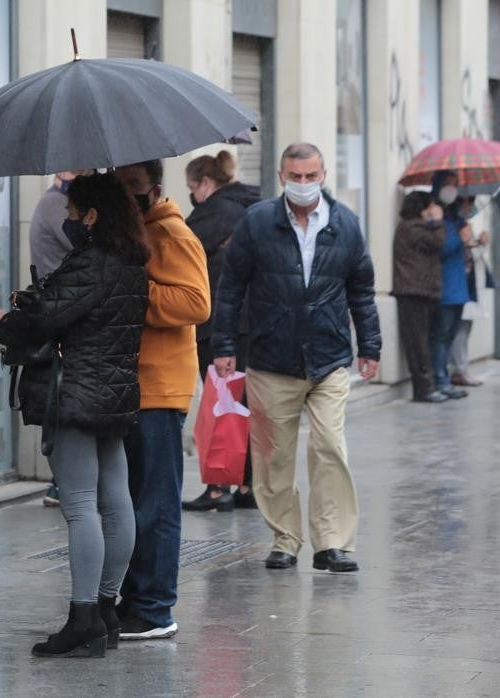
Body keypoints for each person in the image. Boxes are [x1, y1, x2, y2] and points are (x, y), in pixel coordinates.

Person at [0, 172, 149, 658]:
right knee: (116, 498)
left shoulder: (91, 264)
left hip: (77, 394)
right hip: (115, 394)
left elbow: (43, 317)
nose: (69, 222)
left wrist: (7, 321)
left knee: (80, 504)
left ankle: (84, 618)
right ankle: (105, 609)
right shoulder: (130, 263)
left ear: (93, 215)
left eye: (73, 214)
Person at [214, 142, 381, 574]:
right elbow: (230, 289)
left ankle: (333, 542)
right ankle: (285, 539)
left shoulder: (346, 224)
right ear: (281, 176)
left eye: (310, 176)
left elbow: (362, 291)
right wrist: (224, 346)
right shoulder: (257, 223)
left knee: (329, 446)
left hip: (328, 357)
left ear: (323, 176)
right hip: (272, 357)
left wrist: (371, 347)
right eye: (295, 176)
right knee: (274, 456)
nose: (303, 184)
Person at [113, 160, 211, 640]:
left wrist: (135, 292)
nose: (126, 194)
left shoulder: (172, 234)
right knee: (133, 501)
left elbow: (196, 303)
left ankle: (154, 609)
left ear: (153, 186)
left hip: (160, 387)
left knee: (155, 504)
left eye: (133, 186)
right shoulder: (136, 234)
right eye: (119, 185)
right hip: (133, 384)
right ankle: (136, 599)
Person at [180, 151, 262, 512]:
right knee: (242, 404)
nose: (191, 195)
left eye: (191, 188)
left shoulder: (212, 215)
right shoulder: (252, 207)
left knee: (219, 404)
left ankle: (217, 488)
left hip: (217, 325)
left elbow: (177, 255)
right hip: (251, 324)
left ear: (206, 184)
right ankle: (246, 485)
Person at [28, 169, 90, 508]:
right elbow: (85, 245)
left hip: (64, 310)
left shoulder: (58, 202)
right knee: (65, 394)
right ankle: (60, 481)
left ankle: (62, 479)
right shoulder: (56, 205)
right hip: (63, 315)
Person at [392, 191, 448, 403]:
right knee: (418, 343)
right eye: (430, 206)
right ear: (421, 208)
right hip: (413, 293)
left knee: (423, 341)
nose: (433, 210)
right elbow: (437, 242)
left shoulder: (412, 227)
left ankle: (427, 386)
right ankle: (423, 389)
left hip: (421, 292)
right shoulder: (412, 227)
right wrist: (439, 221)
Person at [429, 172, 471, 399]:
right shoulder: (433, 214)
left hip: (458, 286)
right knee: (441, 335)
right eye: (447, 184)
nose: (452, 189)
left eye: (455, 185)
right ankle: (440, 379)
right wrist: (460, 239)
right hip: (443, 286)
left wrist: (471, 240)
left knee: (450, 334)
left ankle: (445, 377)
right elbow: (439, 248)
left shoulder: (455, 215)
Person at [448, 195, 489, 387]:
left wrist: (479, 243)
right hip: (458, 287)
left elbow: (472, 254)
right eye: (468, 204)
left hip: (470, 287)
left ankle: (461, 369)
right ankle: (458, 370)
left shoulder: (465, 225)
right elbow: (454, 254)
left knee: (465, 329)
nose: (471, 207)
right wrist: (464, 240)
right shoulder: (453, 225)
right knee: (459, 331)